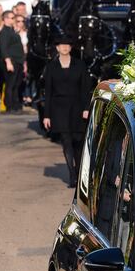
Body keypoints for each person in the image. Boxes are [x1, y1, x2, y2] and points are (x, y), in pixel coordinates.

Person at [42, 36, 92, 187]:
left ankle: (78, 171)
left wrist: (86, 108)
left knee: (78, 142)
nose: (64, 47)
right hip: (59, 108)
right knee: (66, 141)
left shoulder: (80, 65)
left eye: (67, 45)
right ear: (57, 48)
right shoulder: (51, 66)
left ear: (71, 47)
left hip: (77, 107)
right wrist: (46, 115)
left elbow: (85, 88)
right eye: (61, 45)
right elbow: (48, 92)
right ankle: (73, 176)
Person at [0, 11, 25, 114]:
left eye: (14, 18)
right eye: (11, 18)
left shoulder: (12, 31)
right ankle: (9, 106)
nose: (13, 20)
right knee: (10, 84)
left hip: (18, 61)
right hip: (10, 61)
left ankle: (16, 104)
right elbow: (3, 48)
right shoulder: (4, 32)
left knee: (16, 85)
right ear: (5, 19)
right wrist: (8, 62)